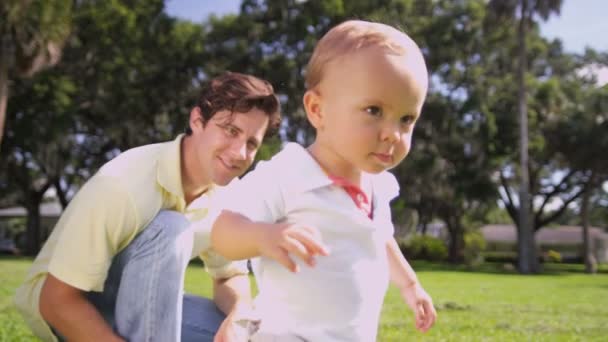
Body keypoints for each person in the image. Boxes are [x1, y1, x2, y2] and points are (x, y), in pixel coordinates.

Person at [211, 20, 438, 341]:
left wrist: (411, 285)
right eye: (374, 110)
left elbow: (379, 238)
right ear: (317, 110)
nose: (393, 133)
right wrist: (263, 236)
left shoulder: (379, 186)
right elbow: (223, 231)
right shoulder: (287, 172)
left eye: (406, 119)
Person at [14, 72, 284, 342]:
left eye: (251, 143)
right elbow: (55, 301)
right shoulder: (123, 183)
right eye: (231, 131)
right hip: (73, 311)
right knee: (170, 228)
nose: (239, 153)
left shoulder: (229, 195)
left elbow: (228, 276)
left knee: (255, 332)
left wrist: (238, 315)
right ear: (197, 121)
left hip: (140, 306)